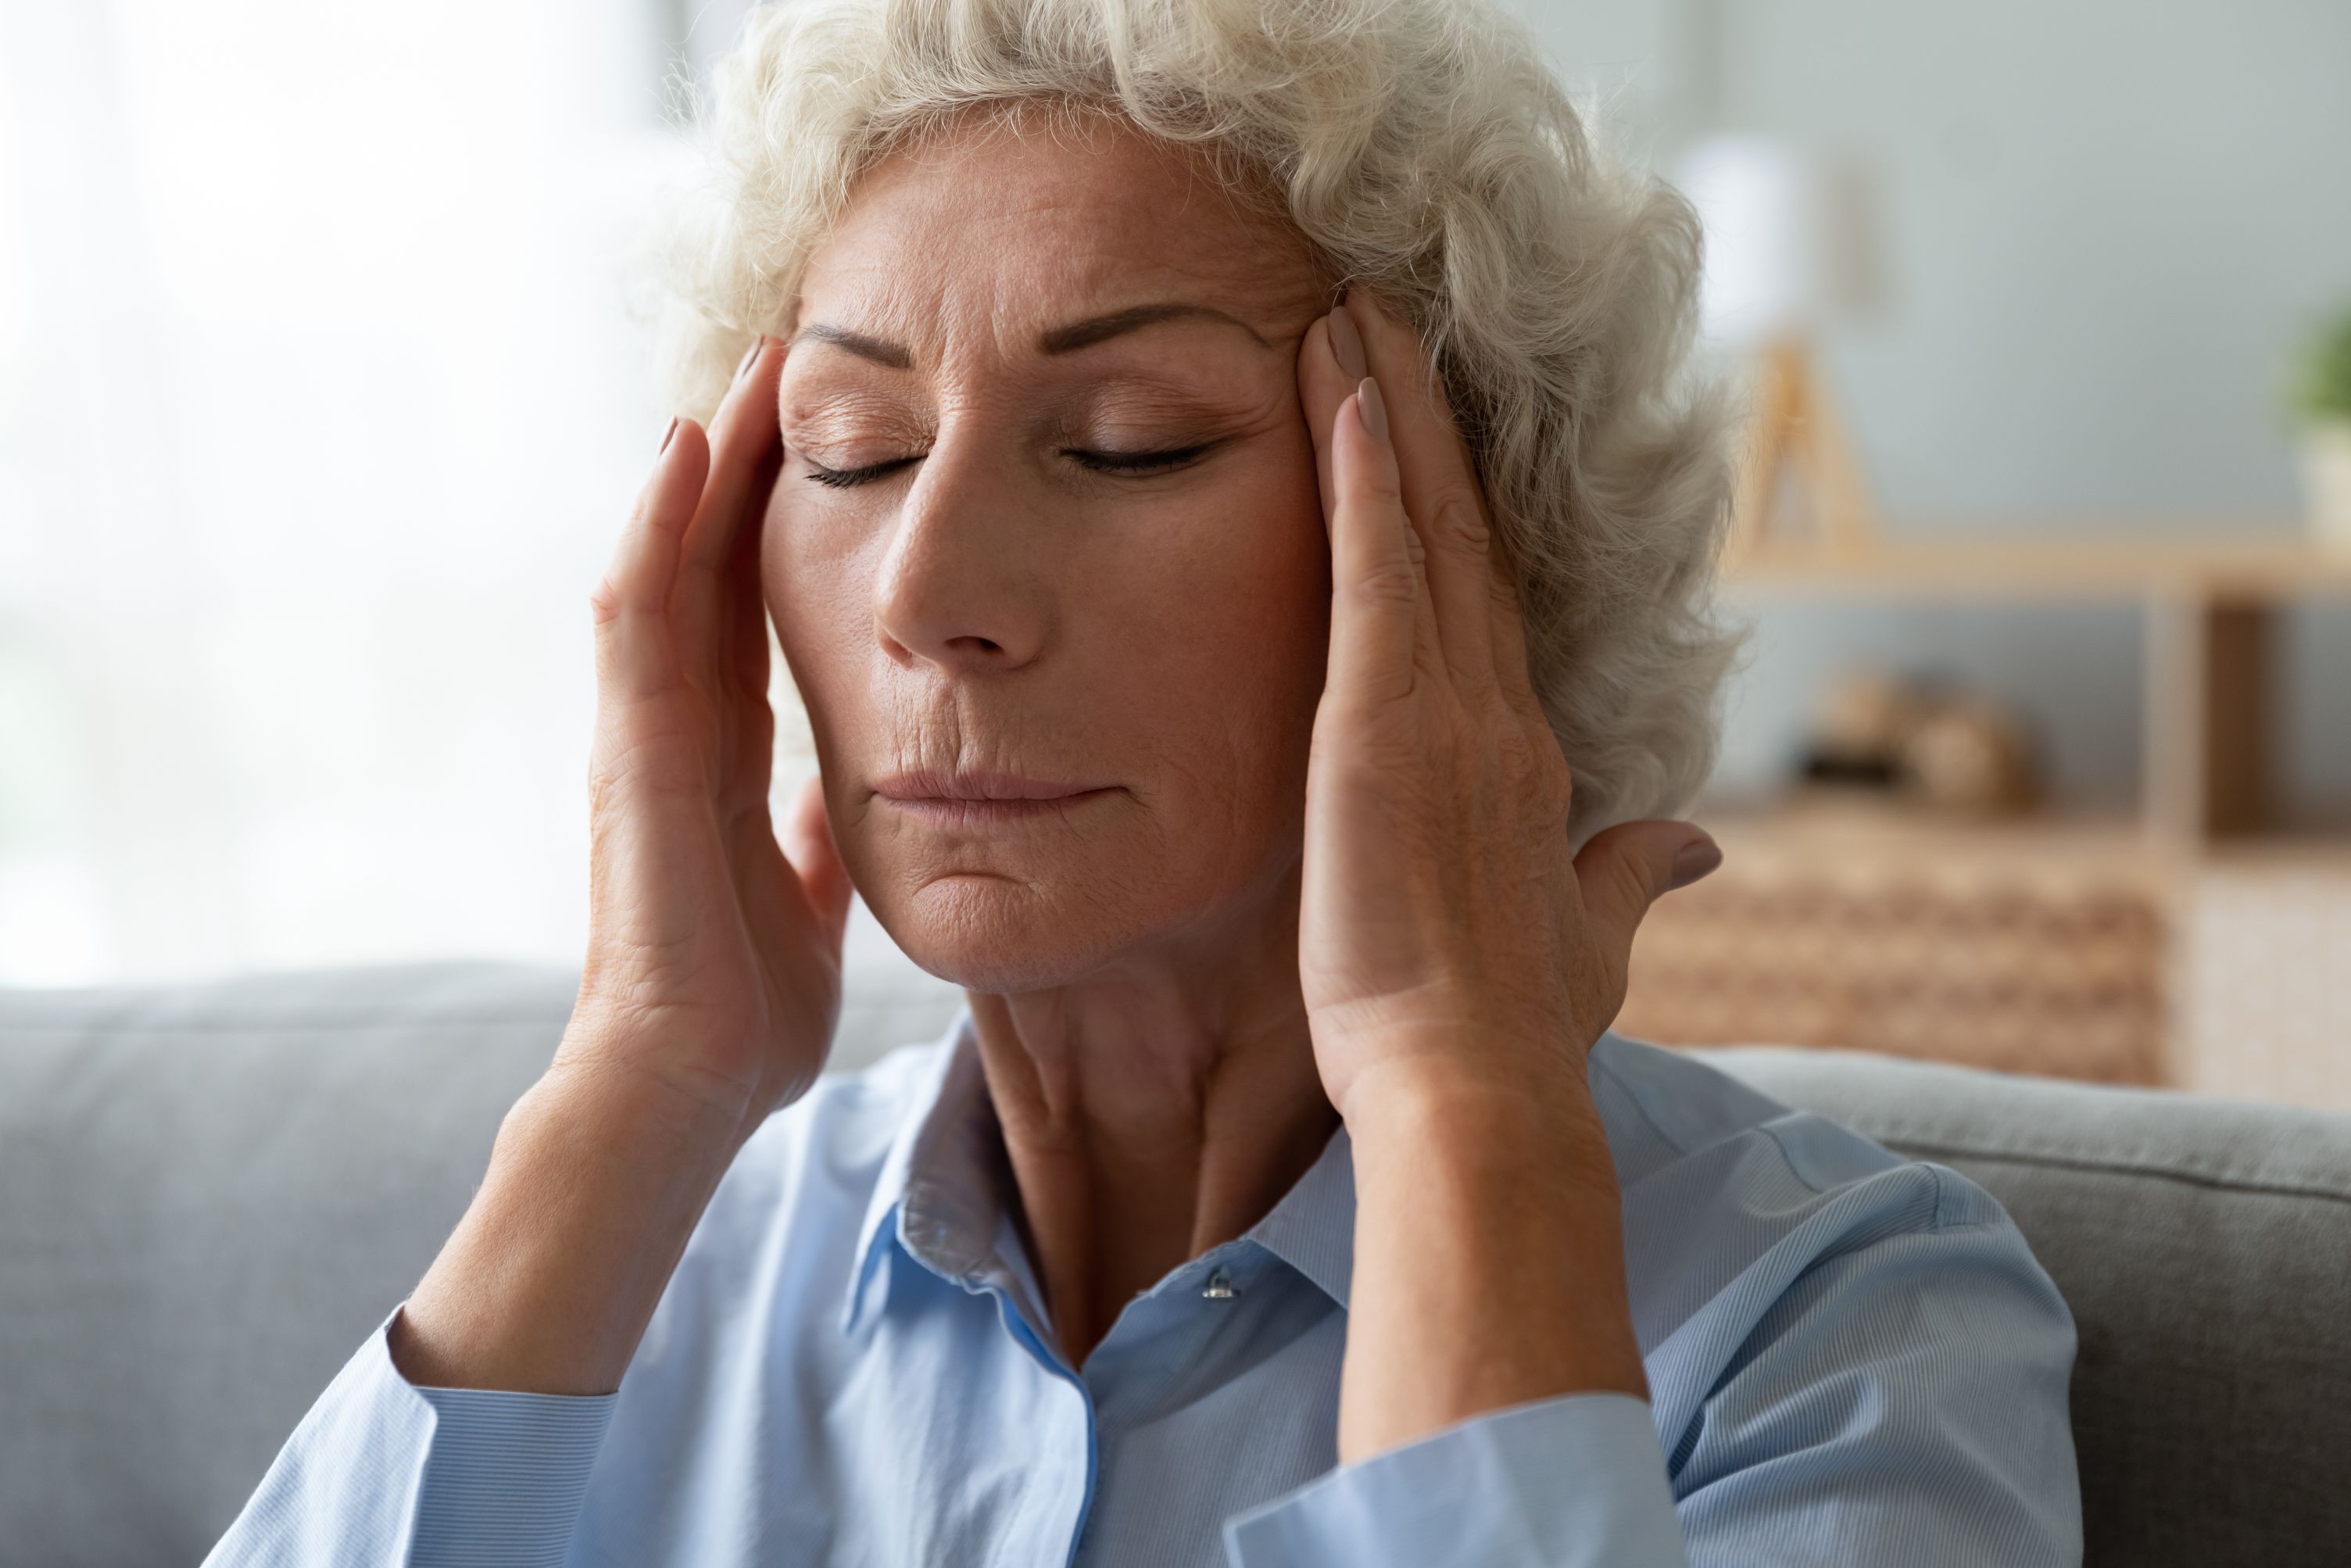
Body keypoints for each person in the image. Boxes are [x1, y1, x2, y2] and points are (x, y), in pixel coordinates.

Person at [206, 0, 2081, 1563]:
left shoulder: (1839, 1322)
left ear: (1479, 567)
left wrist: (1456, 1111)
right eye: (850, 454)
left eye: (1127, 444)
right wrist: (629, 1083)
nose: (928, 597)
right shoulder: (671, 1261)